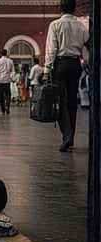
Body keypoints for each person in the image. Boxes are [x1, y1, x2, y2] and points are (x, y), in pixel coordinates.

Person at [43, 0, 89, 152]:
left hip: (60, 64)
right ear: (74, 9)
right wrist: (86, 63)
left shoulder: (55, 25)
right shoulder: (81, 26)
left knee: (61, 101)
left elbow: (51, 49)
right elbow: (87, 47)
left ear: (60, 8)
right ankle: (72, 136)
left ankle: (67, 135)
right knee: (72, 102)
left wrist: (46, 69)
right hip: (75, 64)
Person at [0, 49, 15, 115]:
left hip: (0, 81)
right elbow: (13, 71)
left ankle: (2, 110)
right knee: (8, 94)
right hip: (7, 80)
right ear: (6, 53)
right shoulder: (10, 61)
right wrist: (12, 79)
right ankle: (7, 106)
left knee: (1, 95)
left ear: (0, 54)